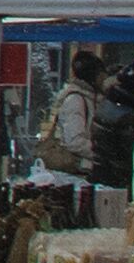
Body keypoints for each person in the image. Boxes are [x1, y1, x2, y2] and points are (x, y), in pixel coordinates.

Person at [88, 46, 134, 226]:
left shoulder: (110, 103)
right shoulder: (128, 115)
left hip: (103, 176)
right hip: (118, 184)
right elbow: (129, 155)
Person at [38, 51, 99, 180]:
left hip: (75, 169)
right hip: (72, 170)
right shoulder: (76, 100)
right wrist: (99, 152)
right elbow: (74, 141)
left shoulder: (83, 98)